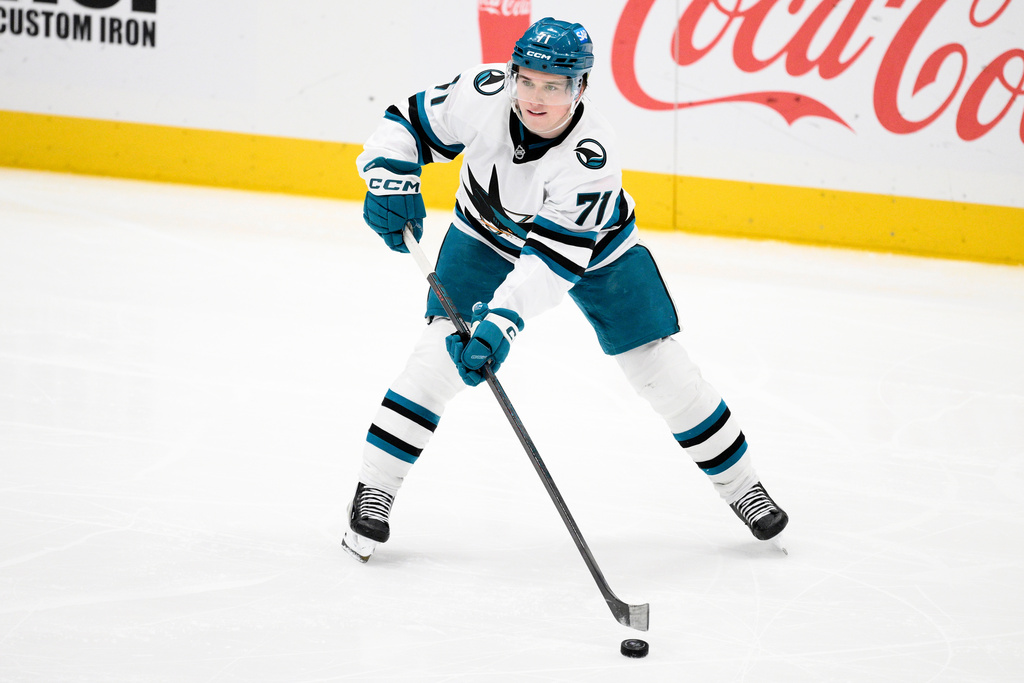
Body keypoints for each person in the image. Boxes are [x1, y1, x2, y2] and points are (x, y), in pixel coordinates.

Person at [343, 17, 788, 563]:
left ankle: (743, 486)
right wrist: (391, 177)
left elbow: (550, 265)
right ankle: (375, 489)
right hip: (483, 235)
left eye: (553, 87)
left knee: (660, 368)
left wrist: (501, 321)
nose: (535, 97)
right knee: (436, 358)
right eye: (527, 80)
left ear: (581, 88)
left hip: (598, 254)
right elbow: (406, 122)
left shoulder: (591, 157)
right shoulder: (480, 93)